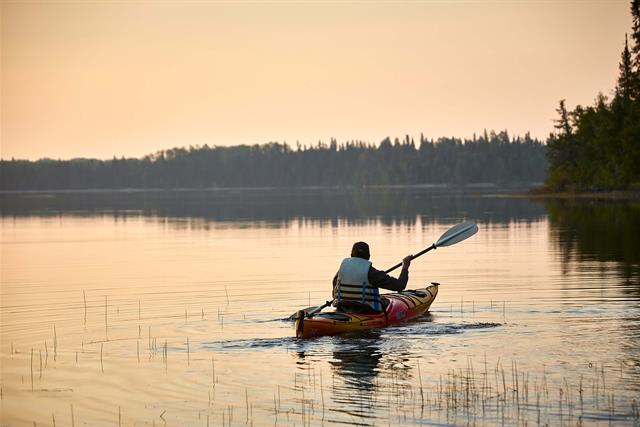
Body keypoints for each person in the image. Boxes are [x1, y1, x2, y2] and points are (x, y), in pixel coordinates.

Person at [332, 241, 412, 313]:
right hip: (366, 311)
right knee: (386, 301)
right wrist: (405, 267)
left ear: (351, 255)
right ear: (368, 256)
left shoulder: (341, 270)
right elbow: (400, 285)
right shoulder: (372, 273)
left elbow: (334, 286)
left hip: (342, 308)